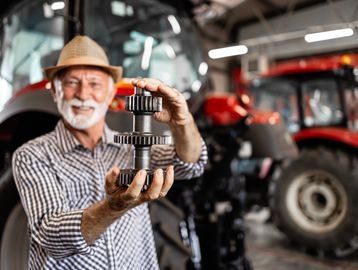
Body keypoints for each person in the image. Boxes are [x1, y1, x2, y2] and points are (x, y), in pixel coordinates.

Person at [12, 35, 207, 270]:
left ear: (109, 92)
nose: (83, 94)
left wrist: (182, 122)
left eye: (95, 83)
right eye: (72, 82)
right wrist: (112, 207)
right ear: (55, 91)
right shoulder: (32, 156)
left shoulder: (130, 150)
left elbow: (191, 164)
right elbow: (52, 237)